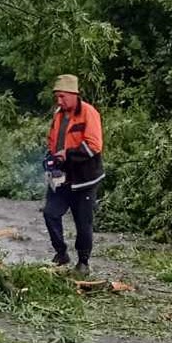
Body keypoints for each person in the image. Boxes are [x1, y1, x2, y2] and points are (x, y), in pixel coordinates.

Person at [43, 74, 104, 275]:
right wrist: (50, 159)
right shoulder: (59, 114)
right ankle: (61, 253)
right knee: (50, 213)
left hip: (85, 178)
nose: (59, 101)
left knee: (82, 222)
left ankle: (83, 261)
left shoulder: (89, 113)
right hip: (62, 177)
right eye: (57, 97)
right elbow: (51, 140)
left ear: (73, 94)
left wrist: (67, 154)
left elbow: (94, 145)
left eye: (62, 97)